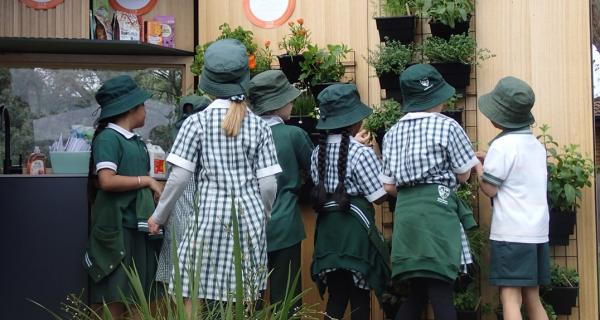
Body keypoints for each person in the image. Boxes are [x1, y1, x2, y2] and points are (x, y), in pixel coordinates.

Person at [147, 39, 281, 309]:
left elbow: (179, 179)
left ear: (208, 81)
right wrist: (262, 214)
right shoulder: (261, 127)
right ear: (244, 78)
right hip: (248, 223)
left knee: (190, 293)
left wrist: (159, 216)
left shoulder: (195, 123)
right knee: (240, 301)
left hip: (207, 220)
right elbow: (268, 185)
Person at [379, 64, 479, 320]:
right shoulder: (448, 127)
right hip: (437, 211)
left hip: (407, 215)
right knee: (441, 290)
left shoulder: (392, 133)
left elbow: (388, 185)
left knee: (419, 291)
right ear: (438, 98)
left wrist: (413, 194)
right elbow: (464, 173)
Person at [83, 75, 164, 319]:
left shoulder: (135, 142)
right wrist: (147, 181)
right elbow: (107, 180)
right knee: (115, 298)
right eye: (143, 105)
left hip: (136, 230)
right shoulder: (108, 138)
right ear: (131, 108)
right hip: (118, 232)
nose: (145, 110)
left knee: (139, 297)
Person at [310, 83, 390, 320]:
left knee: (336, 297)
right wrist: (376, 156)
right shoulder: (361, 153)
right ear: (354, 121)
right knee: (359, 298)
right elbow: (379, 197)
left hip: (328, 234)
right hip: (355, 233)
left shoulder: (317, 153)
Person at [475, 76, 549, 320]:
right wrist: (489, 159)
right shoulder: (535, 146)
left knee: (509, 297)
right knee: (532, 297)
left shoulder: (502, 146)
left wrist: (477, 166)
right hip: (536, 232)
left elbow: (490, 189)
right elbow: (518, 173)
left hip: (511, 234)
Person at [248, 70, 313, 308]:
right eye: (289, 99)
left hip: (248, 225)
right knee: (285, 302)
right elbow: (318, 171)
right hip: (284, 224)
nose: (293, 102)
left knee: (248, 302)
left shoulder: (243, 134)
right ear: (279, 105)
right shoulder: (293, 134)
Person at [155, 94, 211, 285]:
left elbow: (176, 180)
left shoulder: (180, 138)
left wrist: (159, 215)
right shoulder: (212, 139)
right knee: (207, 284)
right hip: (205, 219)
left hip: (180, 219)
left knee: (182, 285)